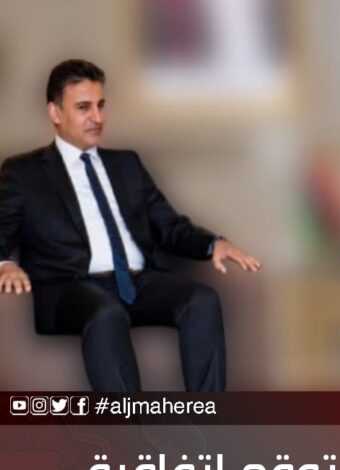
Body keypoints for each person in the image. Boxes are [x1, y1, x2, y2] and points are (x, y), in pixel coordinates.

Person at [0, 59, 261, 392]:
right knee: (106, 313)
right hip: (68, 287)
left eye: (101, 105)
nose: (97, 117)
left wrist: (213, 244)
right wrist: (5, 264)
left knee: (202, 299)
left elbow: (169, 225)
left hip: (135, 282)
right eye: (83, 108)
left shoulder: (127, 164)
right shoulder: (23, 173)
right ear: (55, 113)